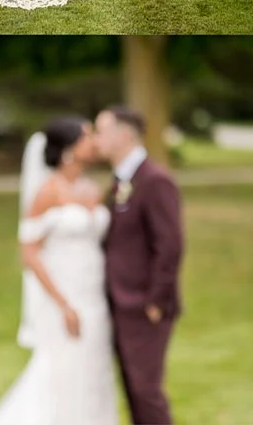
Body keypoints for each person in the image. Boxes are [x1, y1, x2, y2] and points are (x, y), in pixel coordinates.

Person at [0, 116, 120, 424]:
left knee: (94, 372)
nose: (94, 141)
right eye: (87, 136)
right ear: (70, 148)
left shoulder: (90, 189)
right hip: (64, 300)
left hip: (95, 297)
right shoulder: (48, 193)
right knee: (63, 372)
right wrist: (64, 304)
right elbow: (30, 254)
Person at [95, 106, 184, 424]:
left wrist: (156, 301)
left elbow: (170, 245)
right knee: (133, 391)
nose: (96, 139)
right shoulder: (120, 181)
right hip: (119, 303)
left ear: (125, 134)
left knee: (147, 392)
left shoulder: (155, 180)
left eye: (101, 131)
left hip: (144, 306)